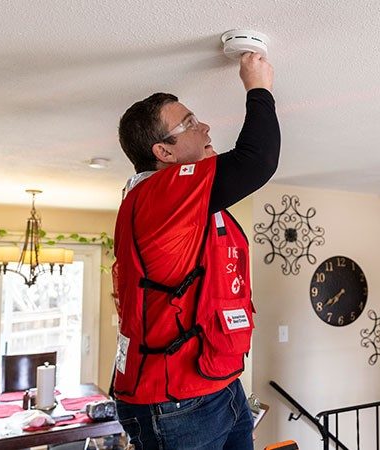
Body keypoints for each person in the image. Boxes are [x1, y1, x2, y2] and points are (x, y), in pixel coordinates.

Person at [111, 52, 279, 450]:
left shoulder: (185, 203)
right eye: (188, 123)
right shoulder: (156, 194)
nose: (204, 126)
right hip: (175, 401)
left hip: (217, 383)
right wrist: (258, 85)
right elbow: (256, 160)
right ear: (163, 153)